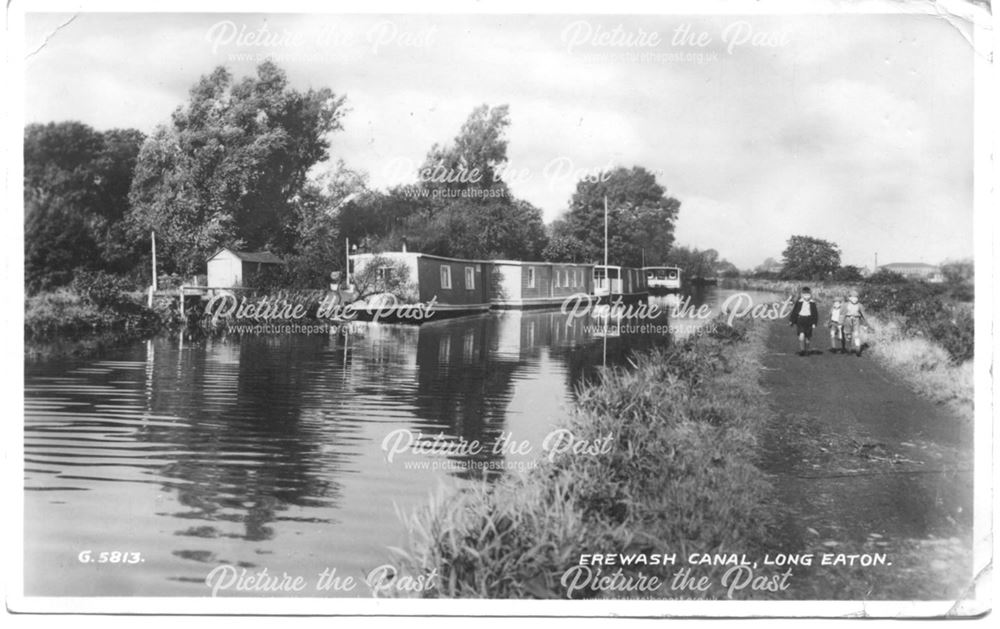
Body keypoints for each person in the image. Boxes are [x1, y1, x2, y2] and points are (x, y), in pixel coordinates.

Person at [788, 286, 820, 356]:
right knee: (801, 335)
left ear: (810, 295)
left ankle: (807, 349)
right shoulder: (799, 302)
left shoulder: (812, 303)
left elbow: (815, 314)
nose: (807, 296)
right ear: (802, 295)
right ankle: (802, 350)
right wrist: (791, 321)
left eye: (808, 294)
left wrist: (814, 323)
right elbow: (794, 312)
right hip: (800, 320)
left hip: (809, 321)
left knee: (808, 337)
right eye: (805, 294)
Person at [843, 289, 868, 357]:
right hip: (847, 319)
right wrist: (840, 322)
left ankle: (858, 348)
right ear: (849, 298)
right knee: (848, 335)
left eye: (856, 297)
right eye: (852, 297)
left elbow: (863, 314)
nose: (854, 299)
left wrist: (866, 322)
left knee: (856, 334)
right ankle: (849, 348)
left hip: (856, 319)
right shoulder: (846, 305)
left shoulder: (860, 305)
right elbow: (842, 314)